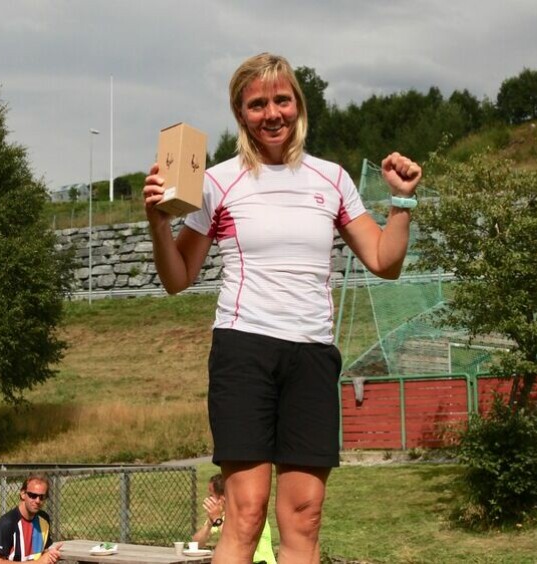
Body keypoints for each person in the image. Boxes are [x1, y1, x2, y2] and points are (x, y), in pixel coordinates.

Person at [143, 52, 422, 564]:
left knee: (305, 517)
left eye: (281, 99)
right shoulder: (218, 181)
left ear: (298, 104)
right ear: (240, 114)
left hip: (312, 356)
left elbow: (385, 262)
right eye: (256, 104)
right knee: (245, 513)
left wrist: (400, 202)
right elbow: (177, 279)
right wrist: (159, 223)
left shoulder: (333, 179)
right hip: (243, 351)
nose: (271, 113)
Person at [192, 473, 276, 564]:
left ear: (222, 499)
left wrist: (217, 520)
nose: (208, 499)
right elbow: (196, 543)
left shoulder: (246, 514)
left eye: (211, 495)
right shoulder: (221, 515)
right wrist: (209, 523)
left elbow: (236, 541)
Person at [0, 473, 63, 563]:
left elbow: (44, 551)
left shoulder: (44, 518)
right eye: (33, 495)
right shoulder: (7, 523)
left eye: (42, 497)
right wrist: (38, 563)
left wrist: (51, 554)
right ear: (23, 494)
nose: (37, 501)